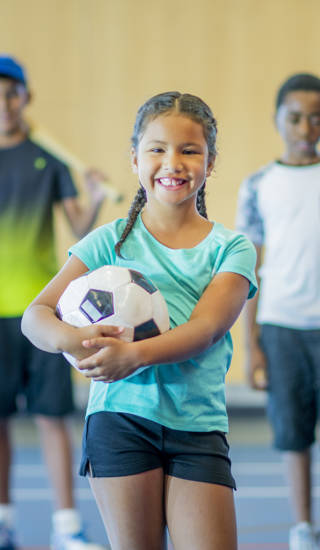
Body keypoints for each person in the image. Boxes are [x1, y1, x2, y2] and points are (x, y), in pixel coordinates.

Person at [21, 91, 258, 550]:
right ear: (135, 160)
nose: (173, 162)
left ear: (210, 164)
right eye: (157, 149)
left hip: (197, 426)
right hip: (120, 421)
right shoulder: (106, 242)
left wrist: (133, 355)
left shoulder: (232, 249)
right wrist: (74, 338)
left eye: (190, 150)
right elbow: (35, 316)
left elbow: (205, 329)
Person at [0, 54, 108, 550]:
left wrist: (96, 196)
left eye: (11, 93)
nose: (4, 103)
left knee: (52, 417)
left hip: (44, 314)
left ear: (26, 97)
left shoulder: (50, 159)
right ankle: (3, 519)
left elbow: (80, 231)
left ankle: (67, 525)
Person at [236, 73, 320, 550]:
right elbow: (251, 273)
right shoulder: (259, 186)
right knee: (293, 434)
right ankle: (303, 526)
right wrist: (253, 347)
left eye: (315, 118)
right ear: (277, 120)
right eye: (295, 117)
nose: (305, 128)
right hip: (282, 328)